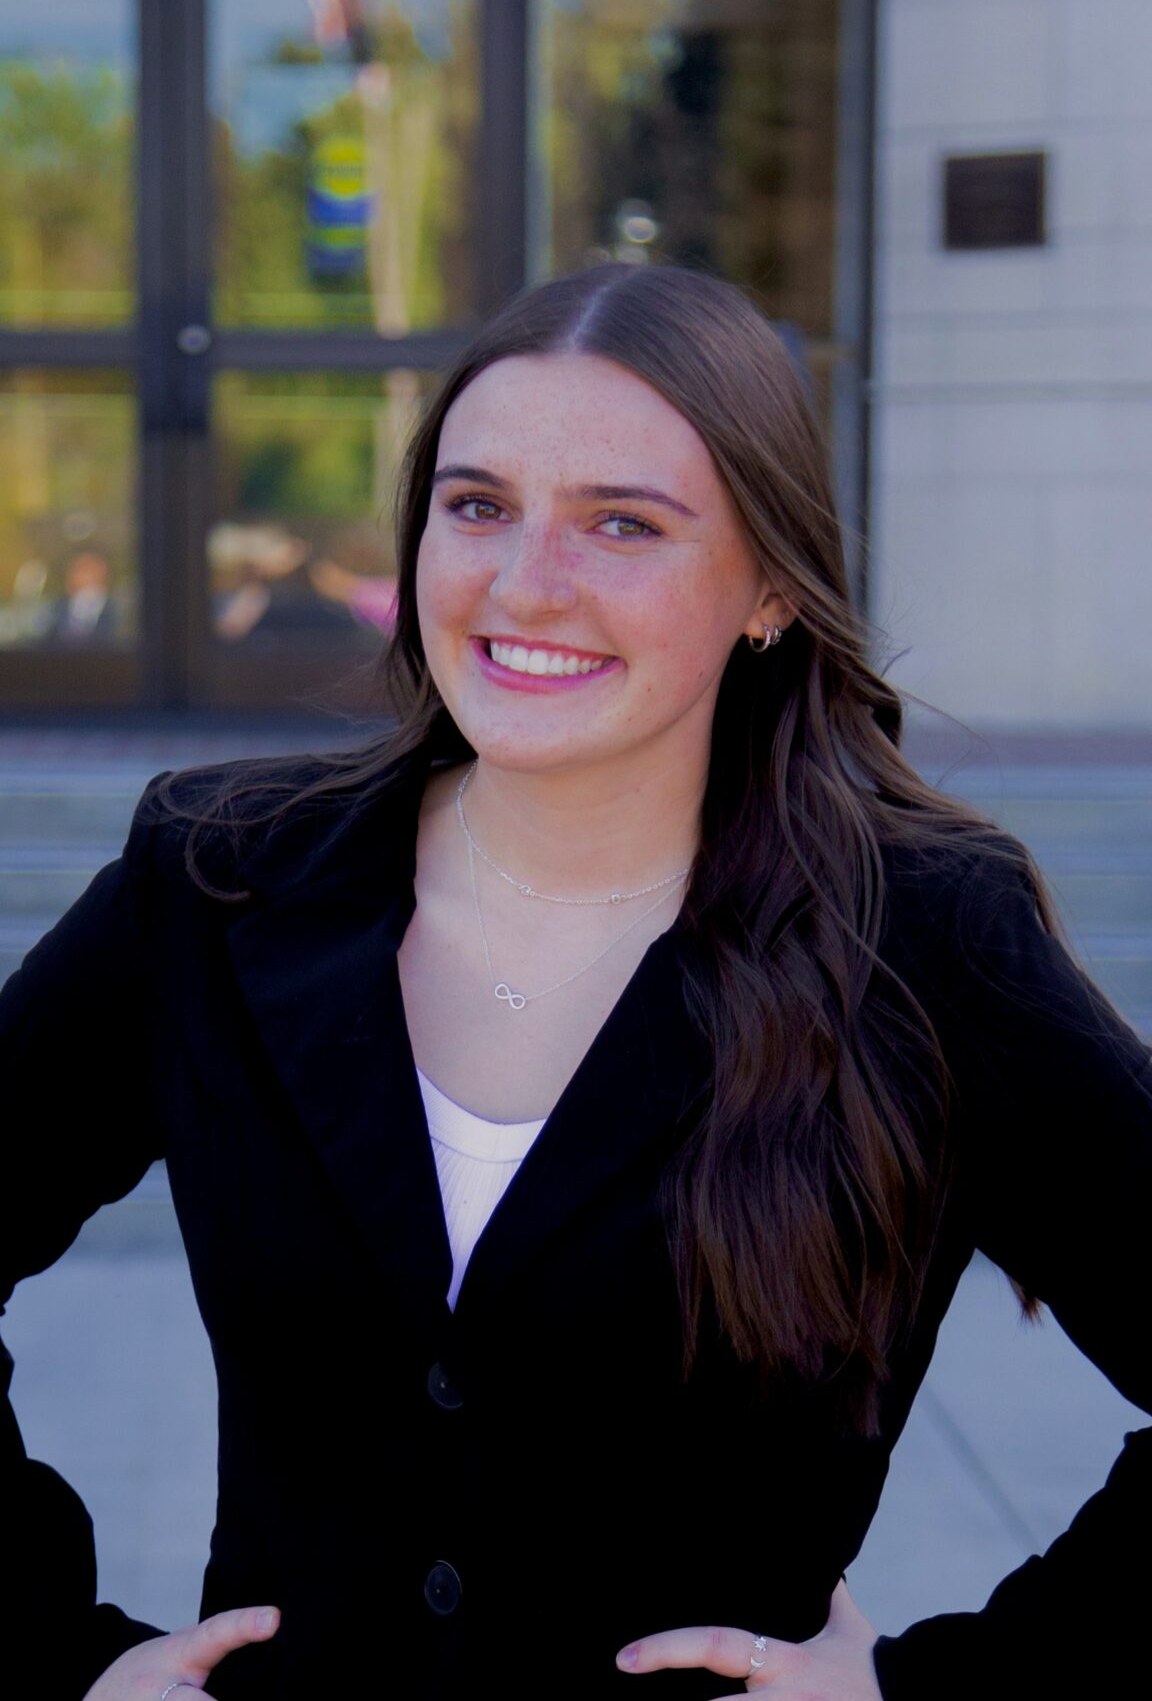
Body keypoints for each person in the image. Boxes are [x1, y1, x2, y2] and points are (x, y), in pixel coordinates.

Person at [3, 263, 1149, 1701]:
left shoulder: (922, 945)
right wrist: (55, 1652)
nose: (524, 582)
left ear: (773, 593)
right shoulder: (220, 882)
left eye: (624, 523)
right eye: (477, 506)